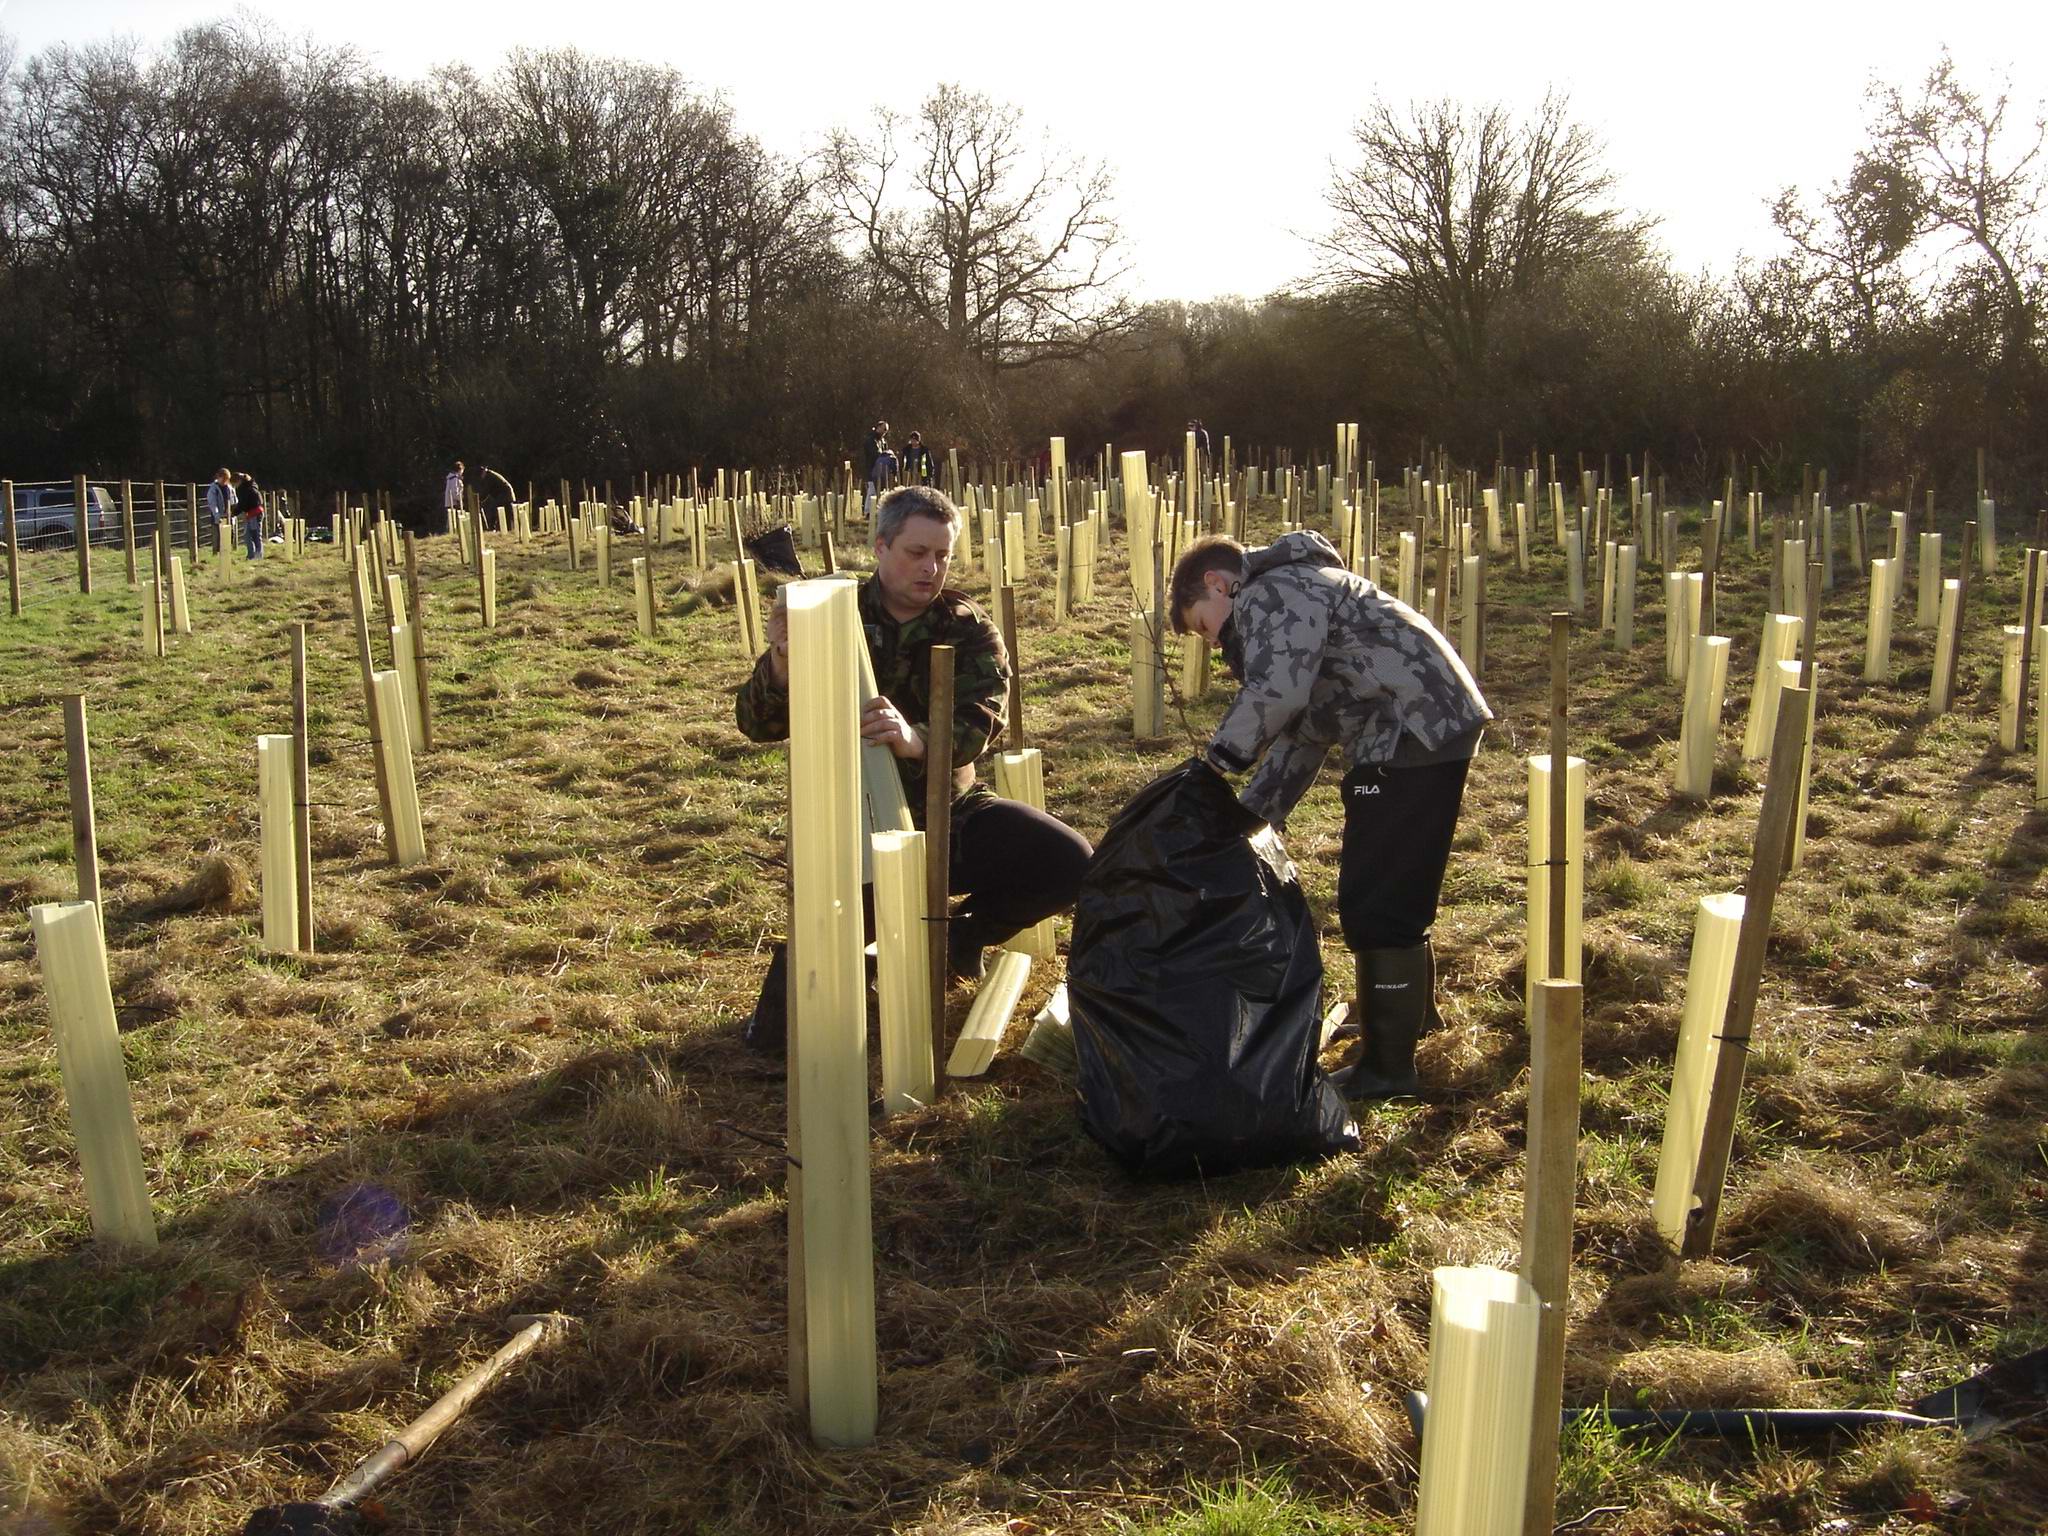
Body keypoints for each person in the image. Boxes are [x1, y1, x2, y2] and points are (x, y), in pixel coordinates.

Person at [734, 484, 1093, 1053]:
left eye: (943, 555)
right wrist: (781, 658)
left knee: (1070, 862)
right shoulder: (831, 613)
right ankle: (851, 952)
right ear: (881, 547)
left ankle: (958, 940)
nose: (931, 568)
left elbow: (982, 722)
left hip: (945, 813)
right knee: (782, 1042)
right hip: (850, 827)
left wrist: (916, 739)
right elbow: (757, 724)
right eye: (916, 552)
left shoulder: (968, 628)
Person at [1169, 530, 1491, 1100]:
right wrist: (1245, 818)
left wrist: (1213, 768)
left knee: (1377, 899)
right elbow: (1304, 732)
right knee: (1394, 884)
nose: (1214, 643)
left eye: (1203, 624)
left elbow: (1276, 694)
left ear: (1217, 586)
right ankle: (1411, 1023)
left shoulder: (1272, 595)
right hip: (1415, 726)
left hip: (1412, 730)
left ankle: (1388, 1069)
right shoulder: (1298, 594)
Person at [864, 438, 898, 519]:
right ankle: (884, 511)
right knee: (885, 493)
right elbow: (895, 468)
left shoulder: (880, 457)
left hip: (875, 476)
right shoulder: (893, 458)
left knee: (874, 493)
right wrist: (895, 477)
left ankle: (869, 512)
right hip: (884, 477)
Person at [234, 472, 265, 559]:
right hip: (255, 513)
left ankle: (257, 556)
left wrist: (234, 513)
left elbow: (242, 504)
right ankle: (253, 555)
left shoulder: (244, 490)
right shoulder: (251, 486)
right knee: (250, 535)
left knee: (254, 535)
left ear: (238, 481)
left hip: (254, 514)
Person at [204, 467, 234, 536]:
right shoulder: (213, 489)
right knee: (218, 539)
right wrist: (217, 516)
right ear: (218, 477)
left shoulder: (229, 488)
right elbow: (212, 504)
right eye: (223, 479)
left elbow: (233, 500)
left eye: (227, 479)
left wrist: (233, 512)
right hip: (218, 518)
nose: (225, 481)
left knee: (229, 538)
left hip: (229, 517)